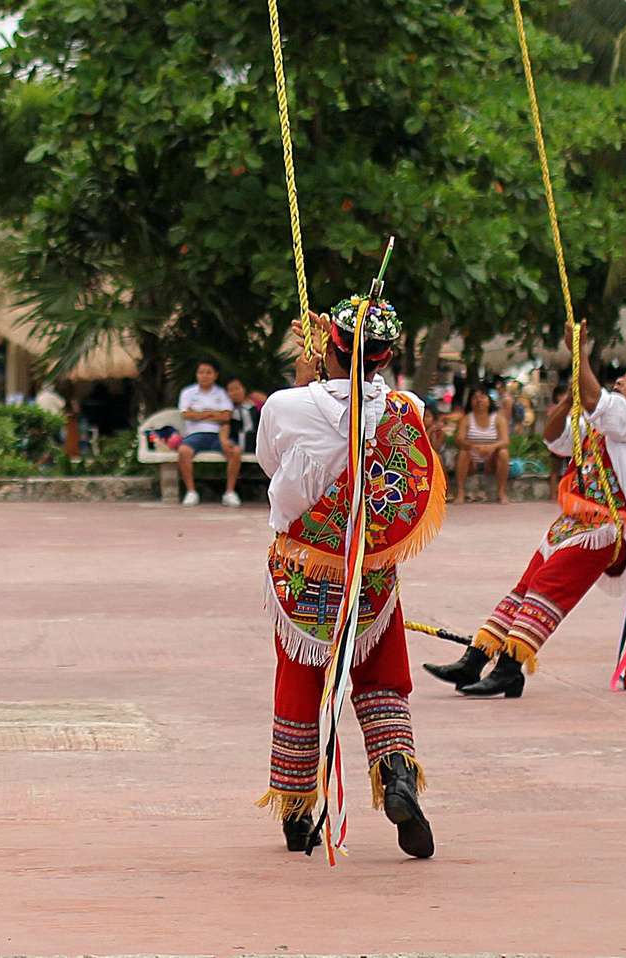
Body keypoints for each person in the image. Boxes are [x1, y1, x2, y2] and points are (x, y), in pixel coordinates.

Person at [256, 295, 443, 859]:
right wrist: (326, 365)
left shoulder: (286, 407)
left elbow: (271, 463)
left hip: (305, 571)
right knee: (383, 681)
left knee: (299, 684)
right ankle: (398, 778)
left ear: (331, 347)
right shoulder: (407, 410)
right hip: (372, 580)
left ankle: (296, 809)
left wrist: (307, 371)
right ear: (386, 356)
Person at [426, 335, 626, 700]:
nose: (620, 380)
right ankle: (476, 658)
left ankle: (509, 668)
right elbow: (554, 438)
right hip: (573, 523)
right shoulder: (599, 422)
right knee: (525, 587)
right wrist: (569, 398)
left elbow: (596, 401)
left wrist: (580, 353)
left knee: (546, 588)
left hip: (607, 527)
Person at [174, 360, 235, 507]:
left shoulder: (221, 393)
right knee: (183, 451)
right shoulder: (188, 393)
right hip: (195, 435)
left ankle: (229, 493)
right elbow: (186, 415)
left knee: (235, 451)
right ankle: (191, 492)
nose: (205, 376)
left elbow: (226, 416)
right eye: (201, 372)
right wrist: (213, 414)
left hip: (217, 434)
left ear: (215, 375)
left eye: (209, 372)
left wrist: (200, 413)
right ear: (197, 374)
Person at [453, 388, 510, 504]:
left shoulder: (498, 419)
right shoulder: (466, 419)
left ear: (489, 400)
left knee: (503, 453)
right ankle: (460, 493)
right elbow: (459, 439)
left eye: (483, 397)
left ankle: (501, 492)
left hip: (490, 460)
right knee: (463, 452)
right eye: (475, 398)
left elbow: (505, 440)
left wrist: (492, 447)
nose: (479, 401)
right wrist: (474, 447)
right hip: (471, 460)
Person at [220, 377, 260, 505]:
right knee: (235, 451)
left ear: (244, 389)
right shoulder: (228, 410)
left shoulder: (254, 407)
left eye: (237, 388)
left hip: (257, 441)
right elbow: (225, 427)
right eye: (231, 390)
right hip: (239, 442)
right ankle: (230, 491)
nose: (235, 392)